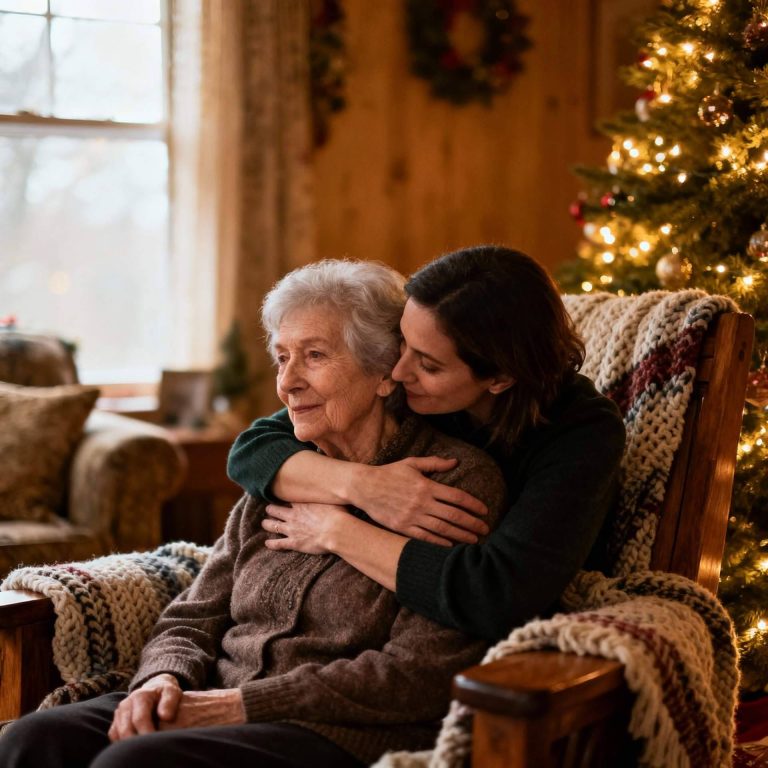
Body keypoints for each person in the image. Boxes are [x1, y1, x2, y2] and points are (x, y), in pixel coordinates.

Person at [1, 260, 506, 768]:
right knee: (31, 740)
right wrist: (163, 679)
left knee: (133, 763)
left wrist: (238, 706)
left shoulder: (452, 483)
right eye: (282, 357)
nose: (288, 383)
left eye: (314, 356)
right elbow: (195, 614)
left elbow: (417, 674)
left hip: (332, 729)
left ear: (383, 372)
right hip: (212, 697)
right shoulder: (288, 470)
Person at [228, 245, 626, 641]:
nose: (398, 371)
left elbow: (497, 595)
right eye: (403, 343)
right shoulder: (409, 387)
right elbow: (252, 450)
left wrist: (336, 531)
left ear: (500, 378)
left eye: (429, 364)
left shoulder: (582, 433)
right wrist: (364, 487)